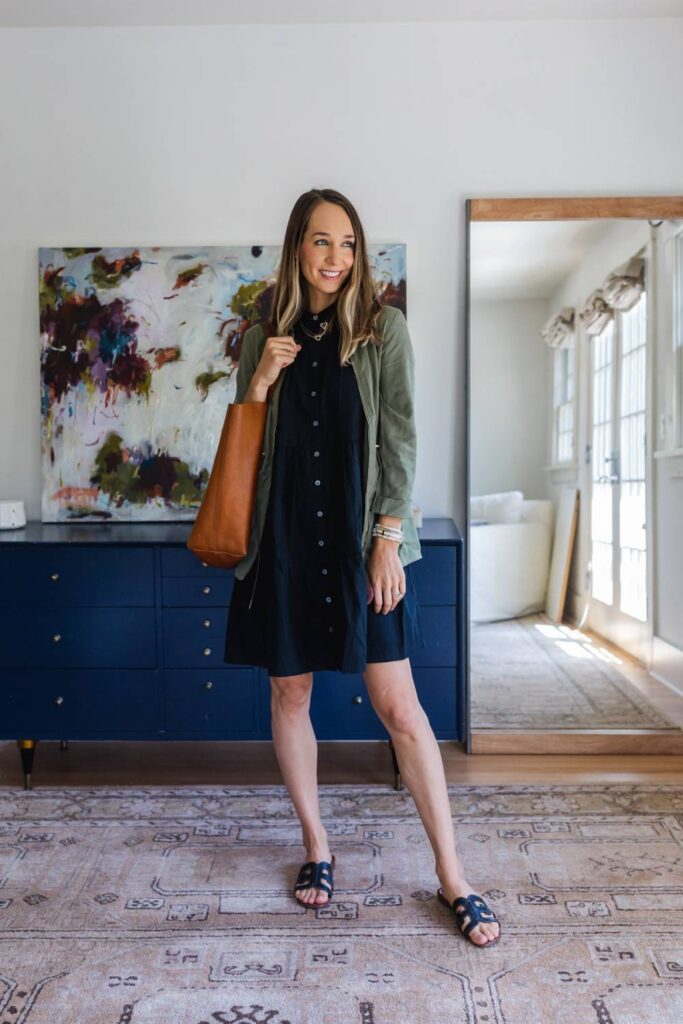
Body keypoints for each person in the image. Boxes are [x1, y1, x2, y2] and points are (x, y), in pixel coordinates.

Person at [223, 188, 500, 947]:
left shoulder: (383, 329)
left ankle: (453, 875)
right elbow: (243, 444)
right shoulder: (260, 336)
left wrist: (386, 536)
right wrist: (260, 380)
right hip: (282, 538)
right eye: (320, 242)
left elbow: (401, 440)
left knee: (400, 710)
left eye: (347, 244)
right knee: (290, 691)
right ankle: (316, 845)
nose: (335, 259)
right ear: (296, 248)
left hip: (358, 542)